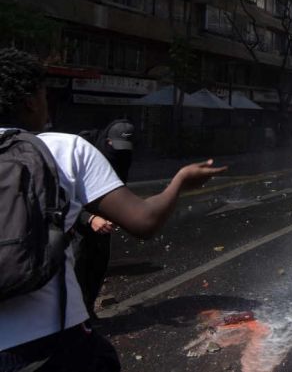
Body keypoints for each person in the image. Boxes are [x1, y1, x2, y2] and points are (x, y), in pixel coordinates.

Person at [0, 48, 226, 372]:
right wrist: (180, 182)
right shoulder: (65, 148)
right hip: (51, 343)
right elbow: (144, 221)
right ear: (30, 102)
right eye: (43, 94)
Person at [74, 119, 135, 317]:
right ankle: (76, 318)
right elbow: (64, 197)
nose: (118, 151)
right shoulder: (82, 151)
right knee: (78, 266)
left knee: (98, 264)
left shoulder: (123, 155)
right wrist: (88, 218)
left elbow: (119, 187)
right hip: (75, 218)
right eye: (114, 146)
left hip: (103, 217)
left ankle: (88, 311)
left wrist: (116, 214)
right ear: (107, 139)